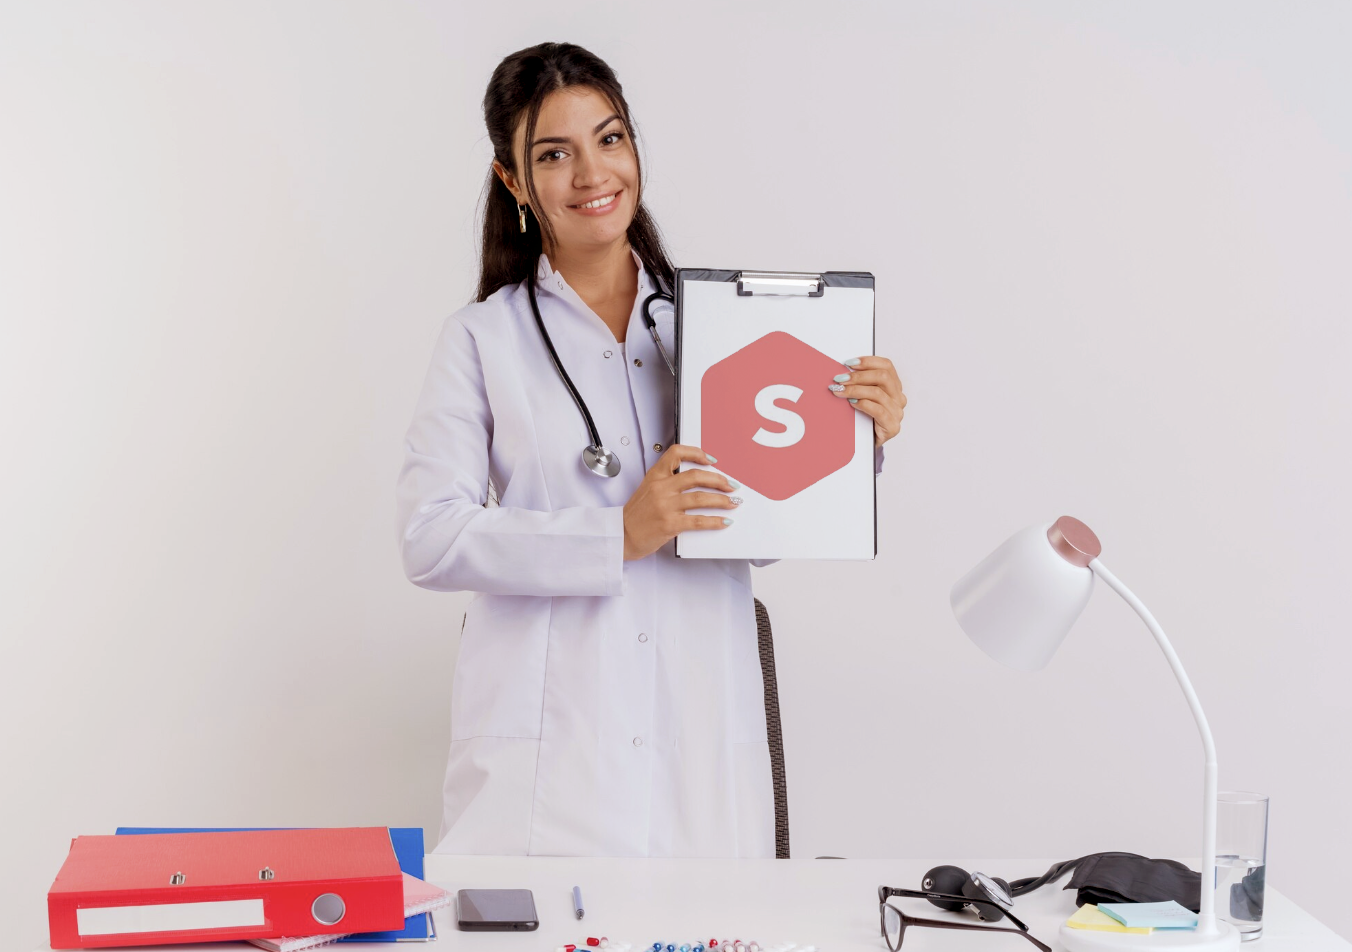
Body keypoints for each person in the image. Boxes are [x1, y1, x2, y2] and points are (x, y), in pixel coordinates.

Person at [395, 42, 907, 858]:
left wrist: (856, 440)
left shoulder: (719, 330)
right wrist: (616, 535)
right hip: (551, 760)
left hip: (699, 740)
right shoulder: (482, 339)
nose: (593, 174)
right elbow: (430, 536)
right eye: (554, 155)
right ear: (514, 184)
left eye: (610, 139)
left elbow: (759, 521)